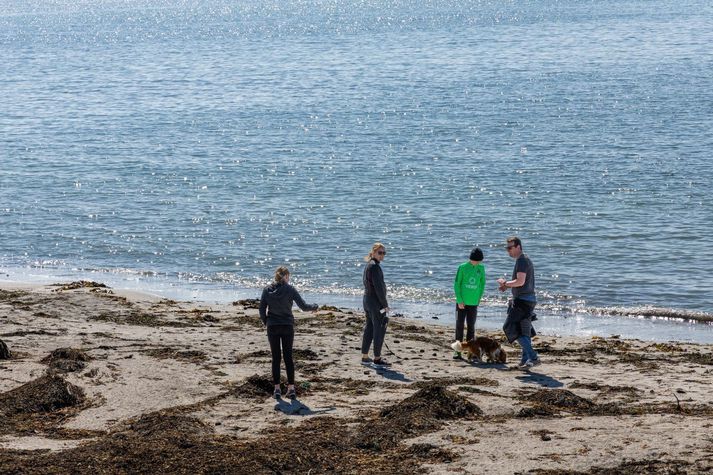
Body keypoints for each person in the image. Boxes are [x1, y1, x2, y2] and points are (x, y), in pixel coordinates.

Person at [259, 266, 318, 399]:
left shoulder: (267, 290)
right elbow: (303, 306)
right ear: (285, 277)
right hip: (287, 326)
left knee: (276, 358)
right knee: (288, 357)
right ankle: (291, 388)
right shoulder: (290, 289)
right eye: (288, 276)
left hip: (273, 326)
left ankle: (277, 389)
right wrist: (314, 306)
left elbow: (262, 309)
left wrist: (266, 322)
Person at [497, 236, 540, 369]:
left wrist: (505, 284)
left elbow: (520, 281)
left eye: (510, 248)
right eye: (507, 248)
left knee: (510, 328)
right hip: (527, 300)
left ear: (518, 247)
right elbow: (521, 282)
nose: (508, 251)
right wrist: (509, 287)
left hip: (523, 301)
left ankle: (533, 357)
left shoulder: (522, 260)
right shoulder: (524, 259)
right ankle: (525, 360)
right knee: (524, 331)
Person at [452, 247, 486, 359]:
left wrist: (478, 299)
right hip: (461, 303)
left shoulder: (481, 268)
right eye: (475, 260)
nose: (476, 263)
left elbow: (482, 285)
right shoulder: (462, 267)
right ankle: (457, 351)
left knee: (471, 326)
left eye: (478, 261)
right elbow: (457, 284)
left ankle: (472, 351)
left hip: (473, 303)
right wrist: (459, 300)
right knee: (459, 326)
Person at [361, 242, 391, 366]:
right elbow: (379, 288)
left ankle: (364, 356)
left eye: (384, 253)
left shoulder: (368, 265)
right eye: (380, 253)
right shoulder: (375, 267)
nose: (382, 255)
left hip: (367, 300)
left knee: (369, 327)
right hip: (375, 302)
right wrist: (385, 305)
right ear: (373, 252)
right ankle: (377, 358)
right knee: (379, 328)